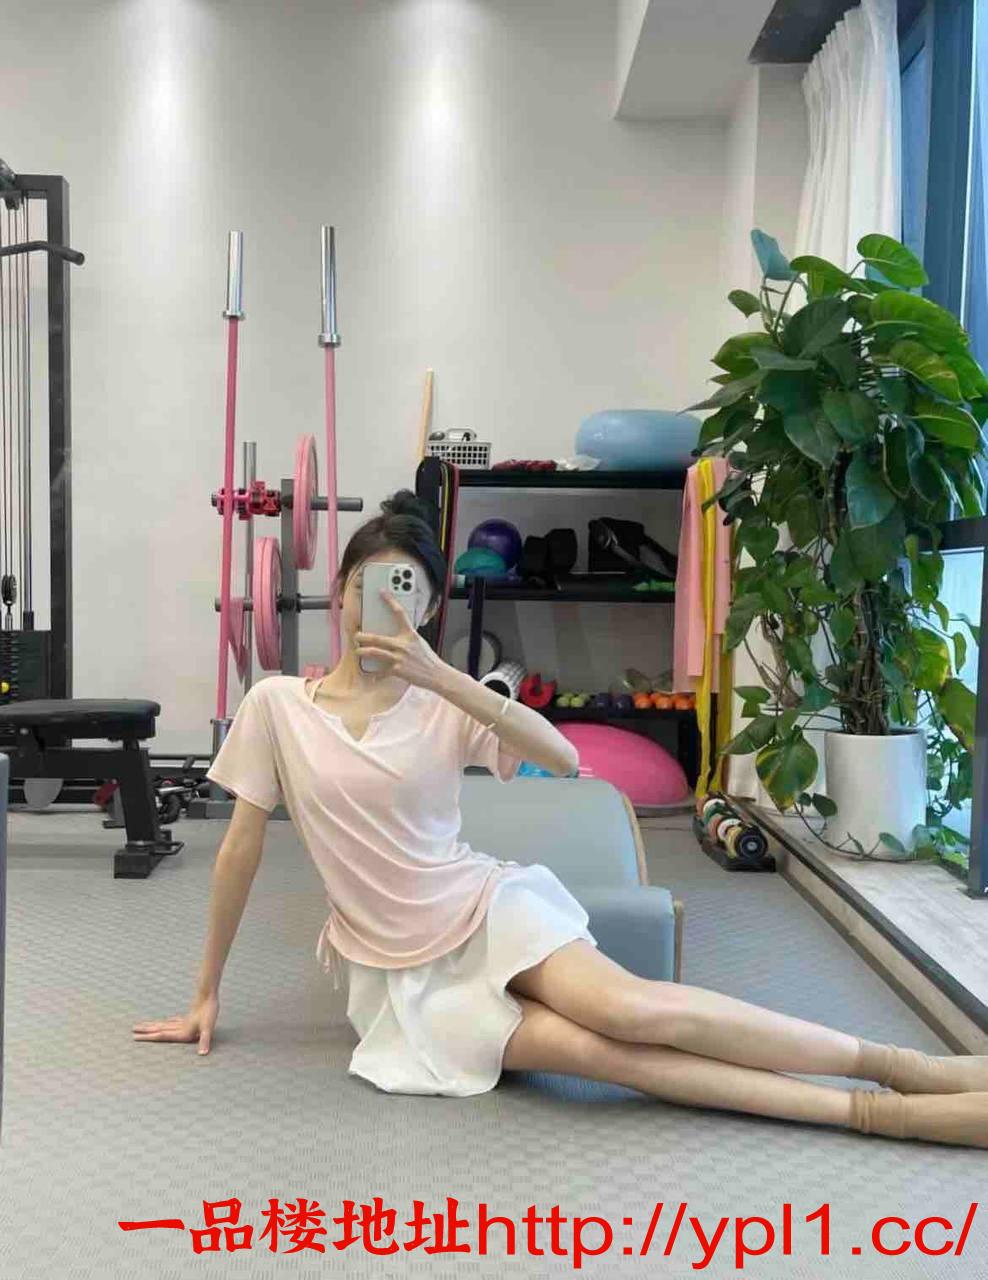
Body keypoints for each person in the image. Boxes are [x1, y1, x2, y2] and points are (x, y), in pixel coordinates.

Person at [134, 490, 988, 1149]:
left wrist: (444, 678)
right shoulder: (279, 706)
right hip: (397, 977)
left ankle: (905, 1076)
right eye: (368, 585)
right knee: (605, 1058)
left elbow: (564, 757)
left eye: (406, 588)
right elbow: (239, 848)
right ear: (342, 594)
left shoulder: (449, 700)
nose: (382, 602)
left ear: (427, 608)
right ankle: (871, 1115)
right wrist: (206, 993)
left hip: (482, 909)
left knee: (634, 1013)